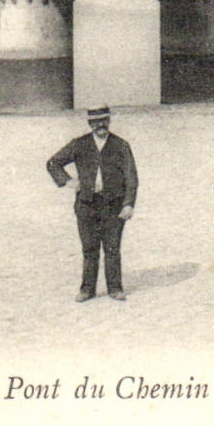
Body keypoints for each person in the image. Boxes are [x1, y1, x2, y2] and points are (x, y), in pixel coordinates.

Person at [45, 106, 137, 302]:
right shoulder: (80, 145)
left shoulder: (121, 146)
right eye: (95, 122)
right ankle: (87, 289)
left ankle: (115, 288)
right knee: (89, 249)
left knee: (112, 248)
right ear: (89, 124)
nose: (100, 125)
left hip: (113, 206)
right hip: (86, 206)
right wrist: (69, 181)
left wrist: (128, 204)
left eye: (104, 120)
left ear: (109, 121)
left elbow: (131, 178)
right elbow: (53, 163)